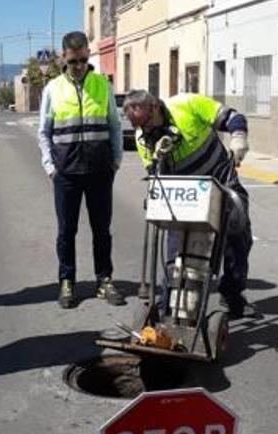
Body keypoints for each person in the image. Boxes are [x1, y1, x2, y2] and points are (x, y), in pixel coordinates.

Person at [123, 89, 254, 318]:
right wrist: (159, 161)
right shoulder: (143, 137)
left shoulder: (187, 105)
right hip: (185, 197)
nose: (147, 130)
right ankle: (169, 306)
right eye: (140, 127)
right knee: (176, 254)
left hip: (221, 183)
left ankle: (232, 295)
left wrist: (238, 137)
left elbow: (233, 117)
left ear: (155, 107)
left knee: (238, 239)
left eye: (148, 123)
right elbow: (155, 176)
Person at [37, 31, 125, 309]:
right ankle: (67, 281)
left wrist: (116, 160)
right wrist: (51, 167)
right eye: (74, 61)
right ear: (64, 57)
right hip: (66, 174)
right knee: (67, 231)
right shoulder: (53, 89)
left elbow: (114, 125)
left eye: (84, 60)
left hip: (100, 171)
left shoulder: (101, 84)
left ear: (89, 55)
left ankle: (104, 280)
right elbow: (44, 132)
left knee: (102, 230)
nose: (79, 66)